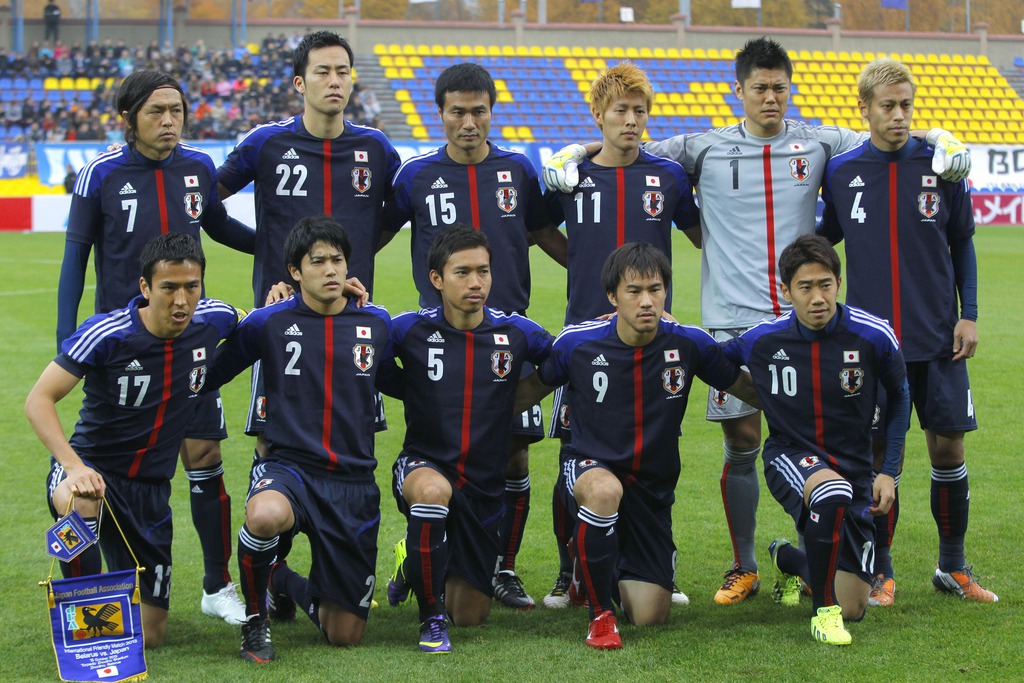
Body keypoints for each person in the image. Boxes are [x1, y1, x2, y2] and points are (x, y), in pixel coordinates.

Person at [542, 36, 972, 606]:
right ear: (738, 91)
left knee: (826, 439)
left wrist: (941, 138)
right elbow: (627, 141)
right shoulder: (701, 148)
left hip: (804, 316)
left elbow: (886, 136)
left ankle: (817, 558)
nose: (770, 97)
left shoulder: (822, 142)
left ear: (789, 89)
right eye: (759, 88)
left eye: (779, 87)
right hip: (731, 320)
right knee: (742, 441)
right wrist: (569, 153)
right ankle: (743, 564)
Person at [56, 70, 255, 625]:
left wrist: (285, 246)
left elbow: (218, 226)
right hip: (124, 349)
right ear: (129, 119)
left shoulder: (196, 168)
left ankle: (217, 586)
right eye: (156, 112)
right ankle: (94, 585)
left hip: (189, 345)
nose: (169, 122)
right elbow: (75, 258)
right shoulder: (101, 172)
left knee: (205, 454)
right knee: (114, 465)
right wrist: (64, 337)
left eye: (177, 110)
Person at [381, 62, 567, 610]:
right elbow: (376, 235)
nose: (469, 122)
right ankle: (417, 553)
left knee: (513, 458)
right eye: (458, 112)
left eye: (478, 111)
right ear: (440, 114)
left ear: (492, 112)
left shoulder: (517, 170)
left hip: (509, 339)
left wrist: (594, 275)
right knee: (439, 459)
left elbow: (540, 231)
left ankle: (502, 569)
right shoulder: (413, 175)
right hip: (437, 340)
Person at [517, 243, 758, 649]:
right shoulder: (579, 343)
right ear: (613, 297)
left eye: (656, 289)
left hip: (650, 488)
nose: (647, 301)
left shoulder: (688, 344)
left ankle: (589, 566)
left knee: (650, 615)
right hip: (591, 467)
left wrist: (803, 404)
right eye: (634, 291)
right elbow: (530, 390)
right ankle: (600, 616)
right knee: (604, 492)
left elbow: (744, 388)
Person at [819, 59, 996, 604]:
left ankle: (953, 567)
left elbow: (962, 240)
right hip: (872, 346)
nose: (899, 116)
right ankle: (881, 572)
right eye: (888, 106)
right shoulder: (843, 172)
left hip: (939, 336)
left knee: (947, 449)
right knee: (874, 458)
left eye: (907, 105)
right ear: (865, 108)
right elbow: (825, 243)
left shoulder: (941, 166)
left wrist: (969, 313)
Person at [26, 233, 243, 648]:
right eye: (169, 288)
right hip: (94, 470)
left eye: (191, 287)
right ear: (145, 288)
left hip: (150, 491)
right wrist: (73, 466)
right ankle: (86, 624)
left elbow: (253, 317)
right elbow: (39, 400)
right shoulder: (107, 333)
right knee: (79, 500)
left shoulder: (211, 319)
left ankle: (112, 593)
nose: (182, 300)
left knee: (151, 636)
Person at [540, 62, 699, 608]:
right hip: (585, 341)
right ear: (598, 115)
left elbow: (699, 232)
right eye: (620, 111)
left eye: (639, 111)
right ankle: (570, 572)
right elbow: (536, 225)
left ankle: (662, 566)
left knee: (658, 453)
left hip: (654, 345)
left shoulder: (668, 177)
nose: (630, 121)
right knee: (573, 453)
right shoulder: (572, 175)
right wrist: (582, 262)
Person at [202, 216, 394, 663]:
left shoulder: (377, 324)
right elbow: (213, 371)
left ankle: (280, 579)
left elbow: (406, 381)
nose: (331, 270)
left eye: (338, 260)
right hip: (289, 469)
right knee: (265, 515)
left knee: (344, 635)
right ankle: (255, 622)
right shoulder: (268, 322)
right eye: (318, 262)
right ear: (294, 271)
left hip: (353, 481)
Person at [216, 29, 398, 458]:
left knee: (356, 437)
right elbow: (206, 205)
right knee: (270, 442)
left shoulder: (374, 147)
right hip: (281, 319)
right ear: (300, 82)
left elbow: (403, 213)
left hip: (351, 316)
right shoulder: (266, 142)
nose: (335, 81)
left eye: (342, 72)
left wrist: (357, 260)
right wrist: (266, 251)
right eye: (323, 72)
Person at [721, 234, 910, 645]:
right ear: (786, 291)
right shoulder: (764, 338)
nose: (817, 297)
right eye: (805, 287)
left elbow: (900, 397)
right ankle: (823, 615)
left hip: (856, 469)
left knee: (855, 607)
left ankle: (788, 558)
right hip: (791, 456)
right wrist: (759, 396)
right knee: (830, 492)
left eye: (825, 284)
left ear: (838, 284)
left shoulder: (874, 335)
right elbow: (715, 362)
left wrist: (888, 472)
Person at [382, 226, 553, 652]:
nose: (476, 283)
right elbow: (359, 340)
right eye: (462, 272)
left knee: (472, 617)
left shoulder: (515, 333)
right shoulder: (408, 330)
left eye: (483, 271)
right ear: (436, 279)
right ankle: (430, 619)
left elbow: (571, 356)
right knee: (431, 491)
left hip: (482, 488)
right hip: (423, 468)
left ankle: (411, 559)